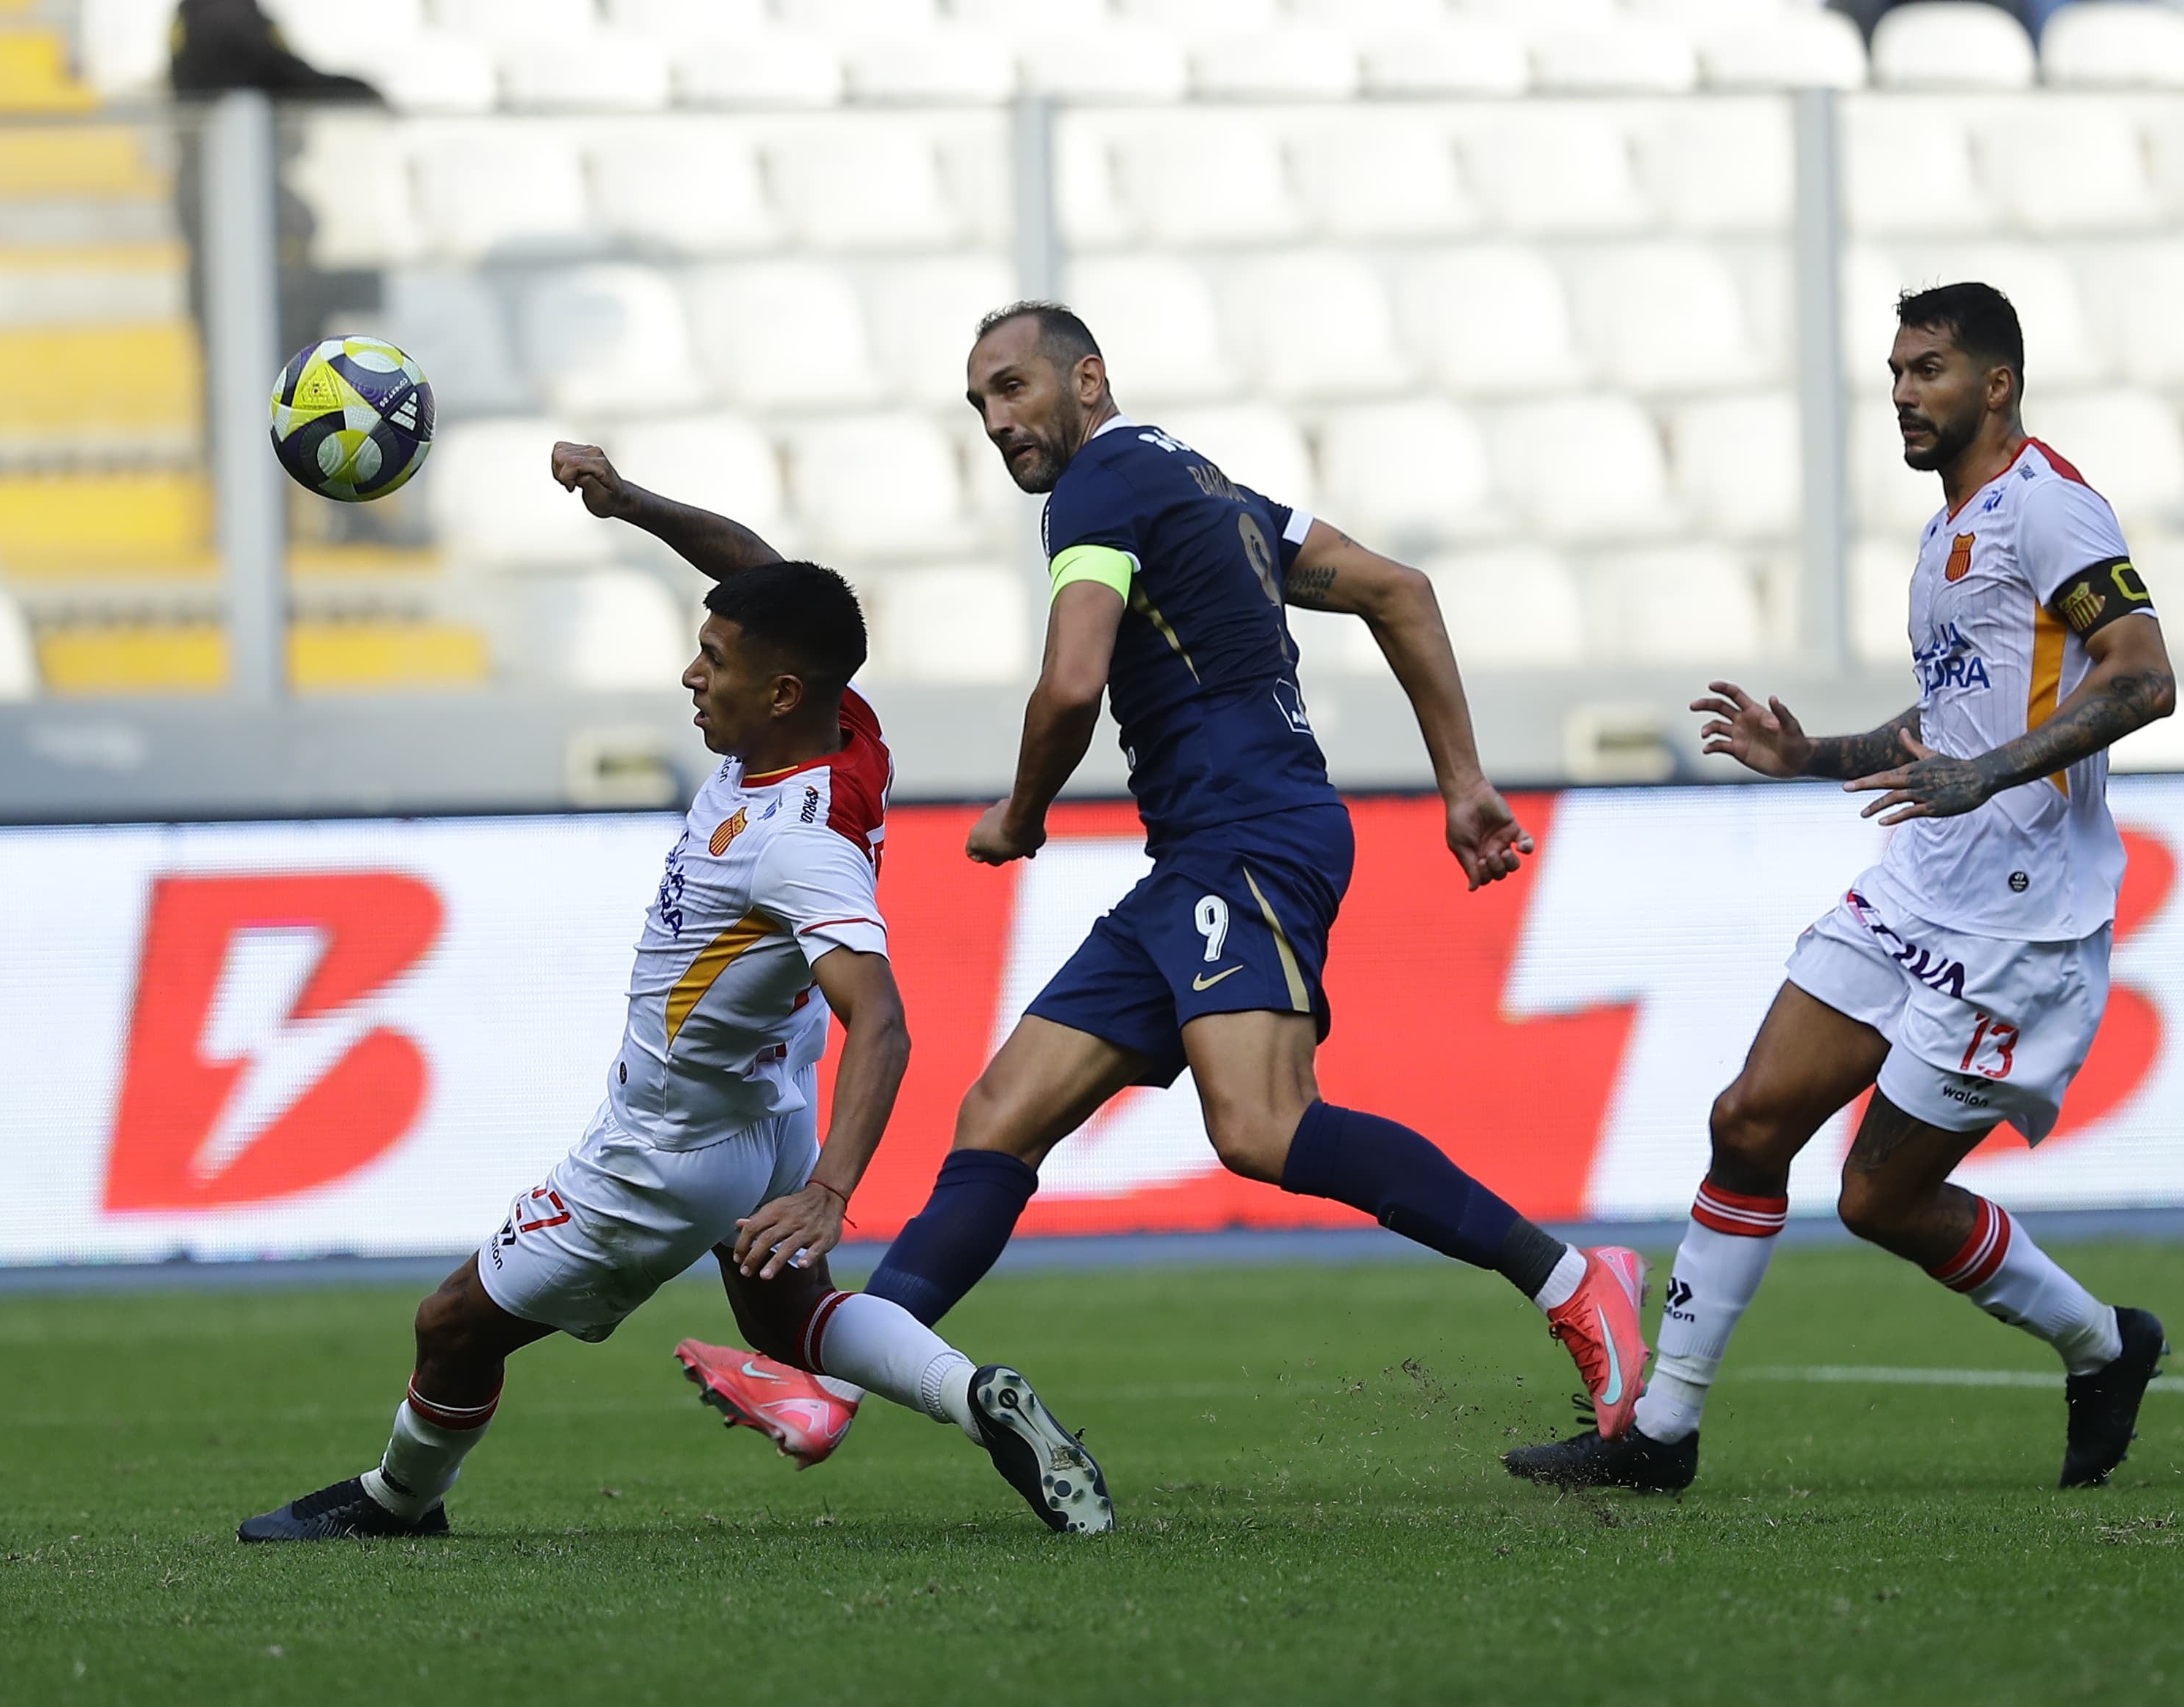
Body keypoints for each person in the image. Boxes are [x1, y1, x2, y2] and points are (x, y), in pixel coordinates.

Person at [670, 302, 1651, 1470]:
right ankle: (830, 1385)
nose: (997, 420)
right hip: (1199, 855)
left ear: (1088, 380)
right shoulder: (1212, 492)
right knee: (1001, 1116)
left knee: (1261, 1125)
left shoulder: (1098, 492)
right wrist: (1464, 784)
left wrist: (1021, 813)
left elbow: (1072, 681)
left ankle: (1573, 1277)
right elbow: (1399, 589)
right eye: (980, 403)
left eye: (1015, 388)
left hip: (1248, 838)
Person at [237, 444, 1114, 1541]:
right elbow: (759, 573)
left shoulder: (797, 844)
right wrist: (629, 503)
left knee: (452, 1324)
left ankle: (398, 1503)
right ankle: (976, 1398)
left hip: (668, 1148)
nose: (693, 676)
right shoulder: (846, 730)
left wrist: (833, 1192)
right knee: (793, 1321)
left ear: (781, 691)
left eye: (714, 660)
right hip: (765, 1115)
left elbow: (883, 1021)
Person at [1505, 283, 2174, 1496]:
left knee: (1878, 1198)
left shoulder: (2052, 508)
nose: (1905, 394)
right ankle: (1660, 1432)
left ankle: (2102, 1343)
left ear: (1997, 385)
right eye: (1898, 372)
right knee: (1749, 1120)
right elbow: (1957, 714)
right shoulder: (1948, 528)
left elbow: (2142, 677)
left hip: (2019, 923)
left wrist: (1989, 775)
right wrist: (1811, 754)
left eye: (1930, 371)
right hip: (1916, 888)